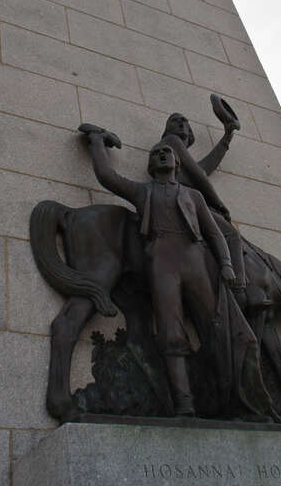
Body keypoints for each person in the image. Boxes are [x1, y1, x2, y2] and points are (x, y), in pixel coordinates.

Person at [83, 128, 234, 416]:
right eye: (157, 154)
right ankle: (185, 403)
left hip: (194, 258)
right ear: (151, 166)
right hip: (162, 260)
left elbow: (214, 234)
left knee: (215, 326)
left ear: (177, 163)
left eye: (167, 152)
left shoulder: (193, 196)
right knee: (170, 329)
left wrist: (226, 264)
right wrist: (97, 141)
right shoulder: (144, 191)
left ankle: (230, 398)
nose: (163, 154)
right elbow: (107, 177)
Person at [159, 111, 247, 305]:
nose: (181, 123)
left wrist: (226, 138)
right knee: (232, 235)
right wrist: (219, 204)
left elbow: (204, 168)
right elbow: (199, 175)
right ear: (168, 129)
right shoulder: (172, 141)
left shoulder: (178, 153)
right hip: (181, 202)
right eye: (175, 121)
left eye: (185, 120)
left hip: (183, 201)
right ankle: (240, 290)